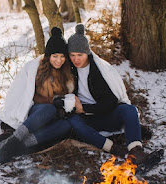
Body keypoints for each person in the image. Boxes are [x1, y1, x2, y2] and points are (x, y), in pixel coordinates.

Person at [66, 24, 160, 165]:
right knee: (72, 122)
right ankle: (115, 149)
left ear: (88, 52)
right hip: (86, 121)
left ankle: (137, 152)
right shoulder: (68, 70)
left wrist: (84, 108)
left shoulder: (99, 71)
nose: (76, 59)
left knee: (129, 110)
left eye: (80, 55)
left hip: (105, 115)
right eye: (72, 55)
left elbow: (110, 103)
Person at [0, 27, 74, 163]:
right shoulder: (36, 69)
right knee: (48, 109)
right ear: (48, 56)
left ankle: (16, 147)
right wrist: (52, 102)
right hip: (37, 111)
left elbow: (69, 95)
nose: (59, 60)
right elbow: (24, 94)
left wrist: (61, 102)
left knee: (66, 126)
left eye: (62, 56)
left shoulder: (67, 72)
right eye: (55, 56)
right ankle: (15, 139)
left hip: (56, 113)